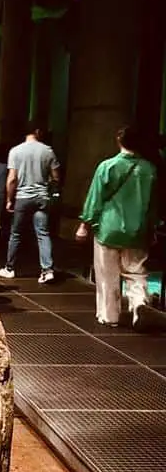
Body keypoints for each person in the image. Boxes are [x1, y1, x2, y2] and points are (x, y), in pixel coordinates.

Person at [75, 126, 158, 329]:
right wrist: (151, 227)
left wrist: (84, 224)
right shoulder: (149, 170)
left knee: (107, 274)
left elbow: (95, 197)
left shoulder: (107, 166)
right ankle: (139, 303)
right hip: (137, 229)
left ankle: (109, 315)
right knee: (136, 271)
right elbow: (154, 204)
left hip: (109, 228)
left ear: (119, 140)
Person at [0, 125, 60, 283]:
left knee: (16, 234)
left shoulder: (15, 151)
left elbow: (12, 178)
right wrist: (51, 192)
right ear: (38, 132)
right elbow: (56, 177)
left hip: (23, 197)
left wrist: (8, 200)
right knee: (43, 234)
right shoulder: (48, 151)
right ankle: (47, 270)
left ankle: (9, 268)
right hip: (42, 197)